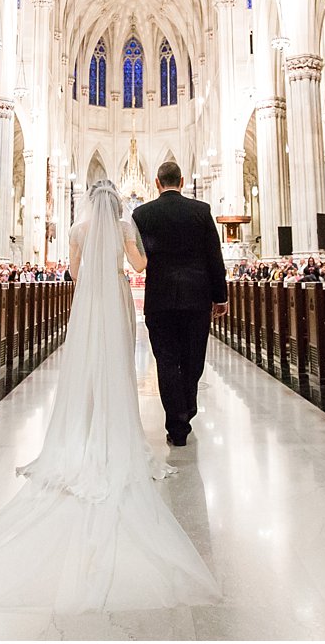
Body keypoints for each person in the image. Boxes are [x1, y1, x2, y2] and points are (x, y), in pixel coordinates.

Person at [0, 177, 220, 612]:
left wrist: (91, 265)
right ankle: (126, 427)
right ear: (115, 202)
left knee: (87, 362)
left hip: (88, 302)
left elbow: (73, 273)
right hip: (115, 298)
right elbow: (140, 266)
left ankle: (83, 428)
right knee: (117, 364)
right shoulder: (127, 226)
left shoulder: (76, 230)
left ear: (89, 201)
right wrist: (135, 253)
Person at [132, 162, 228, 448]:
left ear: (156, 183)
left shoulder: (142, 214)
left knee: (166, 360)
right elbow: (215, 256)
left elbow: (138, 257)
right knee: (192, 358)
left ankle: (177, 423)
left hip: (160, 299)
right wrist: (220, 296)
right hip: (196, 297)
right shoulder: (201, 211)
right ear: (182, 181)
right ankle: (187, 409)